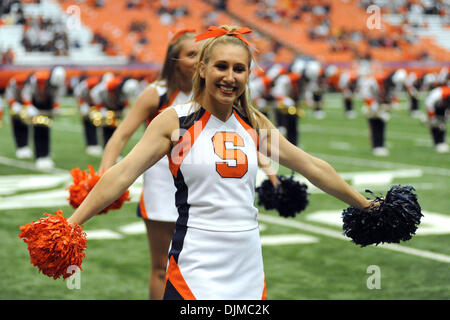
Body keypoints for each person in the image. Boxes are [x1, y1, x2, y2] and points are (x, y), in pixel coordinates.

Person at [66, 25, 371, 300]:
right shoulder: (176, 120)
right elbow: (123, 174)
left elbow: (312, 167)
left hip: (247, 264)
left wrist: (368, 207)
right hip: (195, 265)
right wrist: (71, 226)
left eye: (239, 69)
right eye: (221, 67)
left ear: (248, 75)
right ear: (202, 68)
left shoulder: (253, 121)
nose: (229, 77)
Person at [98, 29, 201, 300]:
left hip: (200, 188)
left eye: (202, 54)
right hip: (160, 186)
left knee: (197, 267)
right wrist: (104, 175)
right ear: (174, 60)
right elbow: (120, 135)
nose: (199, 59)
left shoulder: (211, 92)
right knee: (161, 267)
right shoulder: (156, 93)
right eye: (191, 54)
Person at [21, 66, 66, 168]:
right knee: (38, 130)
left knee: (46, 129)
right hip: (36, 104)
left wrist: (56, 107)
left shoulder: (60, 83)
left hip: (48, 105)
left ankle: (45, 155)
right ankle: (39, 156)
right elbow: (26, 92)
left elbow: (58, 94)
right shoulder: (38, 78)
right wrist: (29, 106)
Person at [4, 73, 33, 159]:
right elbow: (8, 94)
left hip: (25, 104)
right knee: (16, 124)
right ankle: (20, 147)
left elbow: (29, 95)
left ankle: (25, 146)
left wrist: (28, 105)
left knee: (26, 124)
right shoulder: (14, 82)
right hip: (15, 104)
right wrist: (13, 104)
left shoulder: (30, 83)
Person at [424, 85, 449, 153]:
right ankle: (437, 143)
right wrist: (432, 117)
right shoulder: (437, 95)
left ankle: (441, 142)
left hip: (441, 105)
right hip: (435, 105)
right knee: (435, 124)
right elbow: (429, 104)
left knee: (442, 124)